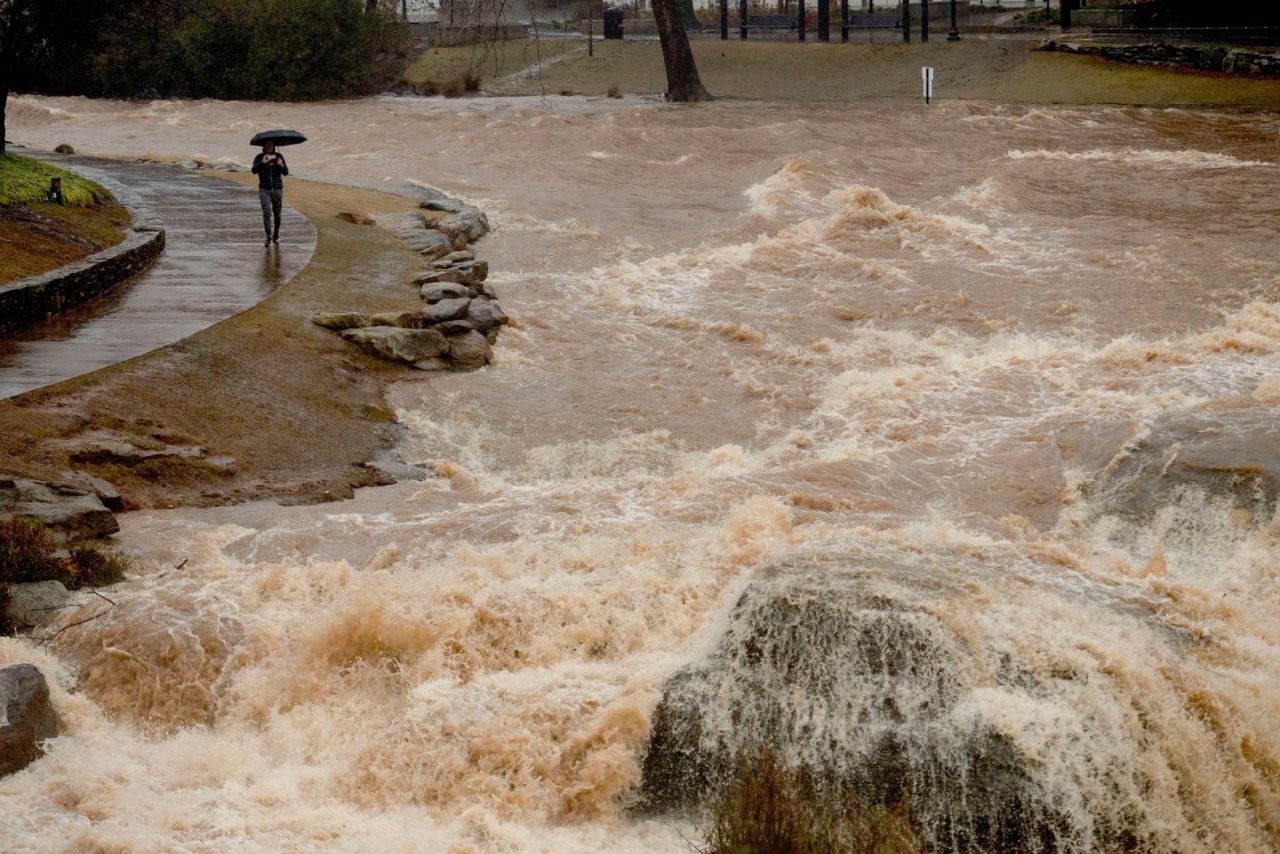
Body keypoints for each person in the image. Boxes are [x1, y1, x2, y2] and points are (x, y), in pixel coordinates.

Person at [251, 141, 289, 247]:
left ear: (274, 146)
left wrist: (281, 165)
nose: (269, 146)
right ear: (264, 146)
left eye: (271, 145)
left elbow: (286, 172)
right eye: (267, 145)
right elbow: (253, 170)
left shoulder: (279, 156)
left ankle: (276, 234)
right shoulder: (259, 157)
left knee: (277, 214)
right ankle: (268, 236)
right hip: (264, 189)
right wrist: (262, 163)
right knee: (267, 212)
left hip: (277, 189)